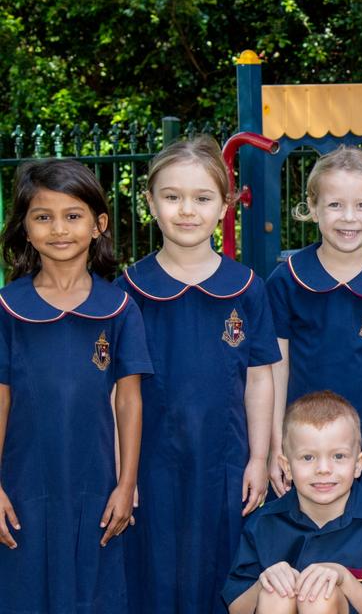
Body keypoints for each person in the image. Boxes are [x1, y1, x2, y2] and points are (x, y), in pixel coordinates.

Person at [121, 137, 281, 614]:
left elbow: (259, 379)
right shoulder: (127, 292)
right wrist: (123, 472)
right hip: (152, 461)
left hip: (225, 460)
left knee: (223, 568)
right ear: (150, 203)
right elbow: (117, 394)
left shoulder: (248, 288)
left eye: (202, 197)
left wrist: (259, 456)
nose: (187, 210)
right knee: (154, 567)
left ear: (225, 205)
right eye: (172, 197)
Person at [0, 159, 150, 613]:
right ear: (25, 228)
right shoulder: (8, 309)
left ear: (98, 224)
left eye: (73, 215)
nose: (58, 228)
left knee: (95, 593)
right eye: (43, 216)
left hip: (95, 484)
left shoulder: (120, 309)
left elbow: (129, 399)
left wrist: (127, 484)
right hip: (23, 484)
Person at [267, 147, 362, 524]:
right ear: (312, 207)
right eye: (335, 205)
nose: (349, 218)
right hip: (302, 444)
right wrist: (275, 447)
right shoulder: (287, 280)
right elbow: (275, 371)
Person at [223, 391, 362, 614]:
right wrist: (262, 583)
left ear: (358, 464)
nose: (323, 469)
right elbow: (235, 607)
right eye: (308, 457)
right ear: (286, 467)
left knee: (319, 596)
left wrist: (345, 579)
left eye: (338, 456)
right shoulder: (263, 524)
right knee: (275, 593)